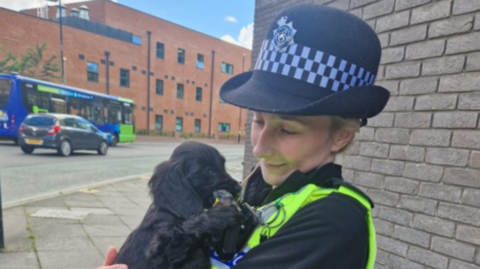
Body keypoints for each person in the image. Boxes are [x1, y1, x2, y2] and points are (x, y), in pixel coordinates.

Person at [97, 3, 389, 269]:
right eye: (258, 120)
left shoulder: (333, 222)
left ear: (341, 136)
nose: (260, 148)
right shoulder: (260, 189)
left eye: (287, 129)